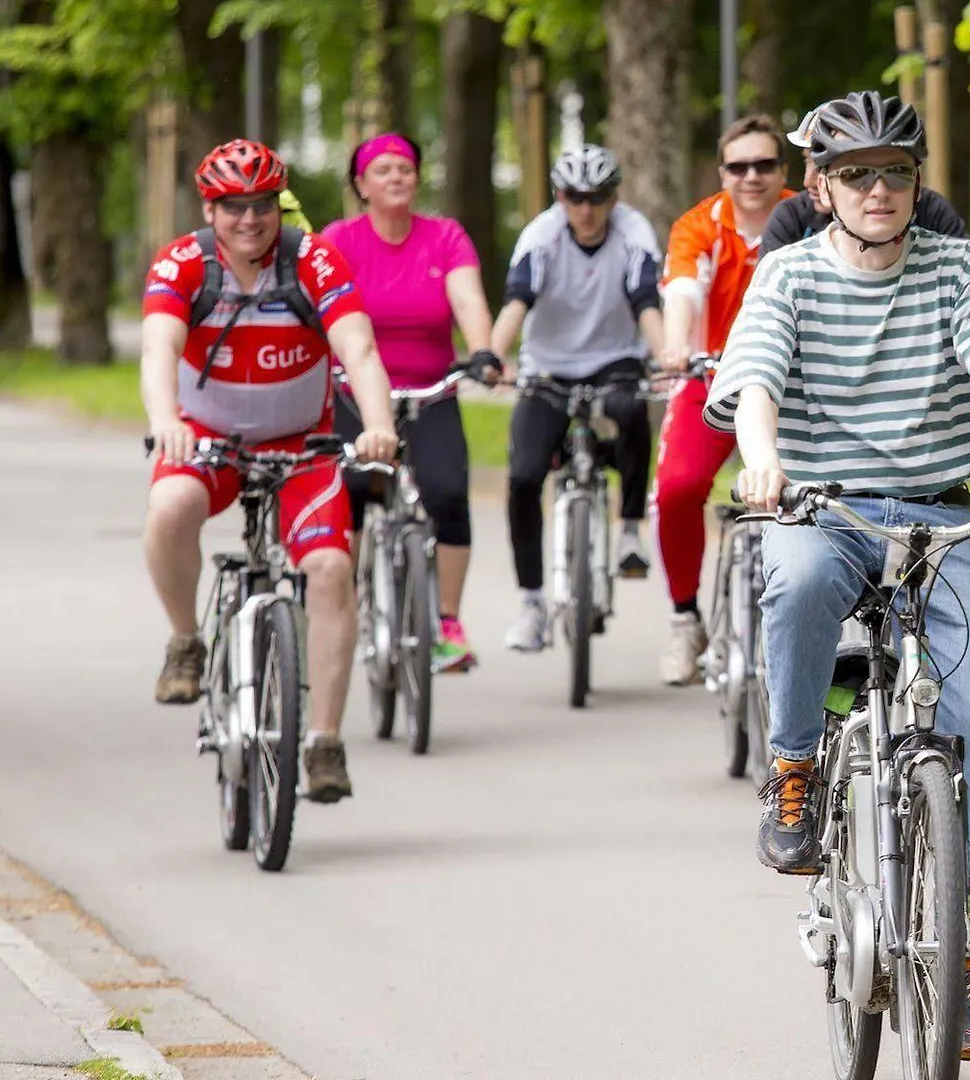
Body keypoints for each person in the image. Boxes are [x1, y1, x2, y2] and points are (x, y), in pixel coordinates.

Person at [705, 91, 970, 1061]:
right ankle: (793, 766)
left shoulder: (957, 266)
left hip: (939, 514)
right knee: (790, 586)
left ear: (919, 182)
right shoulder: (786, 274)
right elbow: (758, 384)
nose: (881, 189)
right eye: (859, 174)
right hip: (820, 505)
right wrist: (762, 460)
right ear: (822, 187)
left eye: (898, 172)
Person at [141, 139, 398, 803]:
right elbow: (158, 348)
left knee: (333, 569)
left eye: (261, 206)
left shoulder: (312, 260)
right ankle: (185, 639)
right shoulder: (183, 263)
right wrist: (166, 419)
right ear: (210, 209)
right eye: (233, 209)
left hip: (301, 445)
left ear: (277, 206)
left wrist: (378, 425)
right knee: (170, 509)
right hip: (207, 439)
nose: (249, 220)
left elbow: (359, 347)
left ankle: (324, 743)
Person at [321, 132, 499, 674]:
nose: (395, 177)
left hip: (430, 392)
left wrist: (484, 350)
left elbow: (467, 297)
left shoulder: (444, 237)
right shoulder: (339, 239)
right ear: (361, 185)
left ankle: (446, 621)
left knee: (446, 491)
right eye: (383, 170)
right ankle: (340, 612)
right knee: (349, 492)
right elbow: (322, 307)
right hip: (354, 393)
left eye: (404, 169)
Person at [491, 145, 667, 651]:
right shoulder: (541, 236)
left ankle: (630, 528)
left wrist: (667, 357)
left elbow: (645, 300)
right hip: (549, 365)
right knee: (524, 476)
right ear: (559, 197)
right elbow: (517, 302)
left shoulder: (633, 232)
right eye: (574, 197)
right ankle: (531, 604)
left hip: (615, 356)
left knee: (631, 410)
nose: (586, 209)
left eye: (597, 197)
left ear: (614, 199)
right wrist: (492, 355)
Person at [651, 113, 795, 685]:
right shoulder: (700, 225)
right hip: (711, 376)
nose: (752, 176)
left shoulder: (807, 217)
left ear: (783, 170)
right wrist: (672, 345)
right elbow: (685, 288)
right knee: (677, 488)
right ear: (722, 172)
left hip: (796, 386)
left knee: (824, 493)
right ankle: (686, 619)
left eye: (764, 165)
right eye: (739, 166)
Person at [762, 102, 970, 252]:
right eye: (807, 161)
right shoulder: (790, 218)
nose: (808, 181)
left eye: (856, 171)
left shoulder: (930, 210)